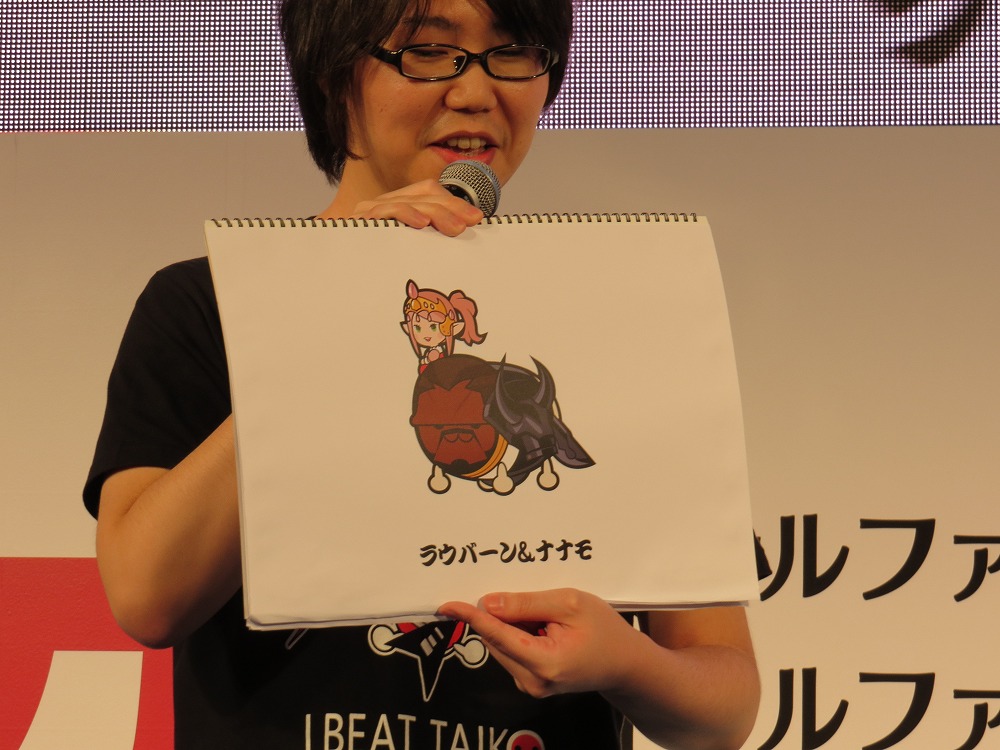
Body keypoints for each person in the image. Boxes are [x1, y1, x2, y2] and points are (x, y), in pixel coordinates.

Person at [85, 0, 763, 747]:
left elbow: (725, 707)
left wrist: (627, 662)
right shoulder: (207, 302)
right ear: (334, 72)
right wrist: (330, 309)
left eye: (513, 52)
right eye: (430, 52)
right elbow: (147, 596)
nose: (475, 92)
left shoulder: (616, 317)